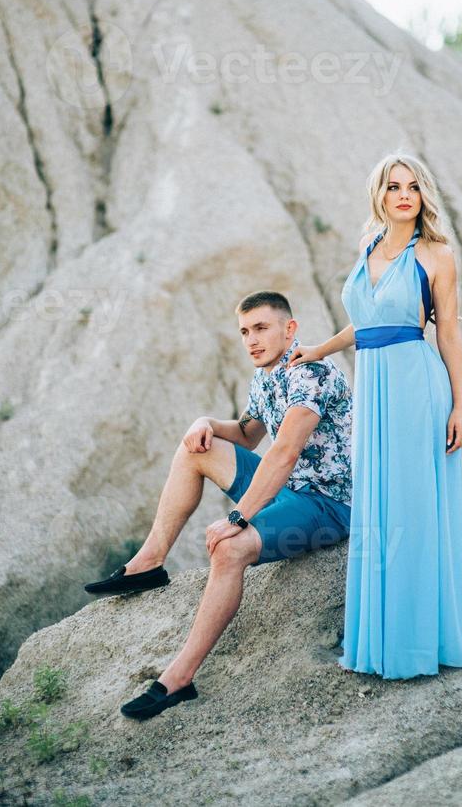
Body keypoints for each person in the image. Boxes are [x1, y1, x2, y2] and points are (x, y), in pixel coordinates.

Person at [287, 152, 462, 679]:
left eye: (412, 186)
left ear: (422, 194)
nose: (403, 194)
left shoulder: (437, 254)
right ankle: (381, 632)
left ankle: (418, 636)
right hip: (375, 390)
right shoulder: (367, 246)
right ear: (379, 196)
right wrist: (318, 349)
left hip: (415, 386)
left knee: (411, 504)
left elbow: (448, 332)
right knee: (381, 509)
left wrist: (461, 406)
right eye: (393, 187)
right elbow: (365, 323)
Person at [84, 290, 354, 718]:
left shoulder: (311, 373)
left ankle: (178, 679)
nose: (252, 340)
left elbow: (283, 454)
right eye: (245, 331)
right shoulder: (267, 377)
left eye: (262, 328)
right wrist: (204, 423)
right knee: (195, 447)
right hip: (286, 488)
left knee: (228, 549)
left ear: (290, 329)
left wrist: (237, 517)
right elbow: (249, 435)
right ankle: (149, 563)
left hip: (327, 504)